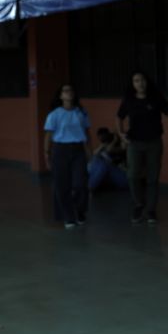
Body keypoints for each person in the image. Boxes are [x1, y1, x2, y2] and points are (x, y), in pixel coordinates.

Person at [116, 71, 168, 225]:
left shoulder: (155, 98)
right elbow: (119, 116)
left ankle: (151, 209)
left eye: (142, 80)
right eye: (136, 80)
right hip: (134, 143)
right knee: (132, 175)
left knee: (152, 178)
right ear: (132, 84)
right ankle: (139, 204)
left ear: (147, 82)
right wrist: (120, 133)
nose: (140, 83)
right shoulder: (129, 100)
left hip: (154, 142)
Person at [44, 83, 91, 229]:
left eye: (71, 90)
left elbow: (87, 132)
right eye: (65, 91)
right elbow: (48, 135)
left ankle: (79, 210)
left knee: (80, 184)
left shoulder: (81, 112)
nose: (69, 93)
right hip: (60, 150)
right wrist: (47, 155)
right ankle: (68, 217)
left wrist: (89, 150)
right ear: (60, 96)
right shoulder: (54, 114)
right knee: (62, 185)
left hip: (78, 150)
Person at [88, 127, 128, 191]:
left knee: (103, 165)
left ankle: (90, 186)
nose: (102, 139)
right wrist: (103, 145)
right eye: (100, 137)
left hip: (119, 174)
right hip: (104, 174)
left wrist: (115, 140)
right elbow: (95, 153)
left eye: (104, 137)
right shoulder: (103, 146)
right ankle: (89, 185)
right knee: (96, 160)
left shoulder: (120, 144)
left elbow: (110, 150)